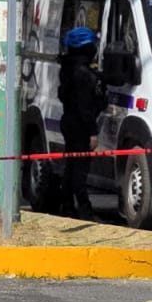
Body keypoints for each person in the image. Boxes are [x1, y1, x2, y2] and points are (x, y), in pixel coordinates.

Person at [58, 27, 104, 220]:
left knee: (70, 167)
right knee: (80, 171)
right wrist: (92, 133)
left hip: (68, 122)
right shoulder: (84, 74)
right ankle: (85, 210)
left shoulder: (67, 68)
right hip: (80, 127)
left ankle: (67, 206)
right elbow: (85, 106)